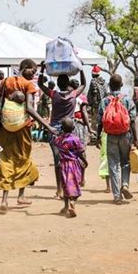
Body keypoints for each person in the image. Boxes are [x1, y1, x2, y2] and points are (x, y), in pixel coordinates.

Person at [0, 59, 56, 211]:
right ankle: (20, 196)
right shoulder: (28, 85)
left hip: (4, 127)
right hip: (22, 127)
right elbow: (29, 109)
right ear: (25, 68)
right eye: (33, 71)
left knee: (6, 159)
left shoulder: (5, 82)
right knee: (23, 158)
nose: (33, 75)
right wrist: (47, 125)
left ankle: (4, 200)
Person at [38, 66, 86, 199]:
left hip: (54, 130)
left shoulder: (54, 95)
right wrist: (81, 69)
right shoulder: (73, 95)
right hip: (70, 129)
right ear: (69, 83)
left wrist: (42, 69)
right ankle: (71, 186)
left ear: (58, 84)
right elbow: (83, 84)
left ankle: (59, 189)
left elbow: (40, 84)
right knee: (71, 158)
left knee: (58, 160)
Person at [96, 74, 135, 204]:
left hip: (110, 135)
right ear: (122, 85)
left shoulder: (104, 101)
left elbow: (100, 121)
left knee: (113, 164)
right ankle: (125, 184)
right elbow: (133, 120)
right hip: (125, 134)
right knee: (126, 161)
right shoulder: (127, 99)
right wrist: (135, 138)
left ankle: (117, 196)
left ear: (109, 85)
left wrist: (97, 137)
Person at [53, 117, 88, 218]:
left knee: (65, 186)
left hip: (63, 165)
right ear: (73, 128)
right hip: (74, 165)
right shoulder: (75, 139)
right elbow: (81, 152)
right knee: (76, 185)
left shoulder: (59, 140)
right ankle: (73, 202)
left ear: (62, 128)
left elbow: (54, 142)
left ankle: (65, 206)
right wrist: (85, 161)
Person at [87, 65, 108, 132]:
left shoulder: (93, 81)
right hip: (104, 105)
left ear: (92, 74)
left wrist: (91, 105)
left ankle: (96, 138)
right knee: (103, 121)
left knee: (94, 123)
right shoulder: (104, 82)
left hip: (95, 106)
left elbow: (92, 94)